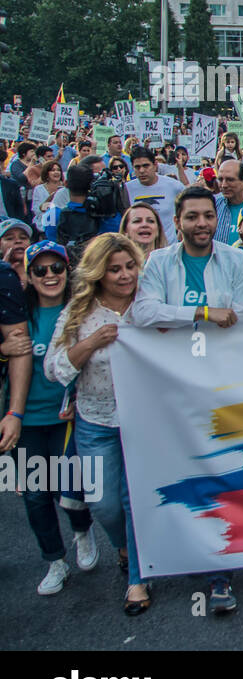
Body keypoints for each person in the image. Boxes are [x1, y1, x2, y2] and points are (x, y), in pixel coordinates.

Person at [130, 186, 243, 615]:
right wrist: (201, 314)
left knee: (216, 476)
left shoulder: (238, 261)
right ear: (178, 221)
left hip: (220, 386)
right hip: (169, 387)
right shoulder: (158, 262)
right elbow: (145, 314)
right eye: (192, 217)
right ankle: (162, 554)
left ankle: (219, 575)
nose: (201, 224)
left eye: (207, 216)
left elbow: (238, 318)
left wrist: (179, 320)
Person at [46, 234, 150, 614]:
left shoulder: (150, 304)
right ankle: (124, 548)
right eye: (114, 269)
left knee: (134, 499)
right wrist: (90, 342)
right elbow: (54, 368)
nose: (125, 276)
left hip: (147, 421)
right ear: (98, 272)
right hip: (96, 420)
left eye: (130, 267)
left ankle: (137, 579)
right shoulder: (80, 310)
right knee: (104, 504)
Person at [7, 240, 95, 595]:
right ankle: (54, 561)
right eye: (40, 270)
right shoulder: (18, 315)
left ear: (67, 271)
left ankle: (82, 532)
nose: (50, 275)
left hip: (68, 417)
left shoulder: (81, 311)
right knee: (34, 494)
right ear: (28, 276)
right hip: (25, 419)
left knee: (70, 490)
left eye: (56, 268)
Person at [125, 147, 186, 244]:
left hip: (168, 249)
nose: (141, 171)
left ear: (155, 165)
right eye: (137, 167)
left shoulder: (174, 186)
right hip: (139, 249)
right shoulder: (126, 189)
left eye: (146, 166)